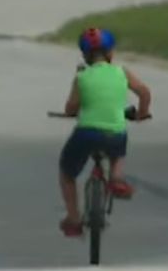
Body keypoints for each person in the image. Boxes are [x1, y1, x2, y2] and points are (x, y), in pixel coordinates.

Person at [57, 27, 152, 237]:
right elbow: (144, 92)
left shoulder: (81, 76)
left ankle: (73, 219)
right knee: (118, 149)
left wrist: (73, 110)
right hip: (115, 133)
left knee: (67, 173)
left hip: (86, 133)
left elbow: (70, 108)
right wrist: (142, 114)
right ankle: (117, 179)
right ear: (110, 53)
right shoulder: (122, 72)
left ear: (85, 55)